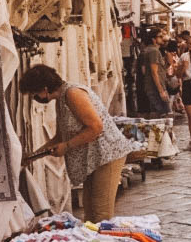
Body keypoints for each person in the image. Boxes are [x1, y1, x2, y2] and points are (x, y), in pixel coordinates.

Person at [18, 64, 133, 221]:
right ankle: (93, 241)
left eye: (34, 93)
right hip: (94, 158)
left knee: (101, 213)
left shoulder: (72, 93)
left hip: (108, 155)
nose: (35, 98)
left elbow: (96, 127)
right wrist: (33, 156)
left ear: (45, 88)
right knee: (90, 212)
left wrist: (67, 147)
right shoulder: (61, 99)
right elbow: (60, 137)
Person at [136, 27, 170, 116]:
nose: (163, 38)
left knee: (159, 114)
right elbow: (154, 72)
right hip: (155, 88)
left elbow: (146, 70)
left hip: (153, 87)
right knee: (162, 115)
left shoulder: (149, 50)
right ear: (154, 39)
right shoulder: (153, 51)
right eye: (160, 36)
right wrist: (161, 91)